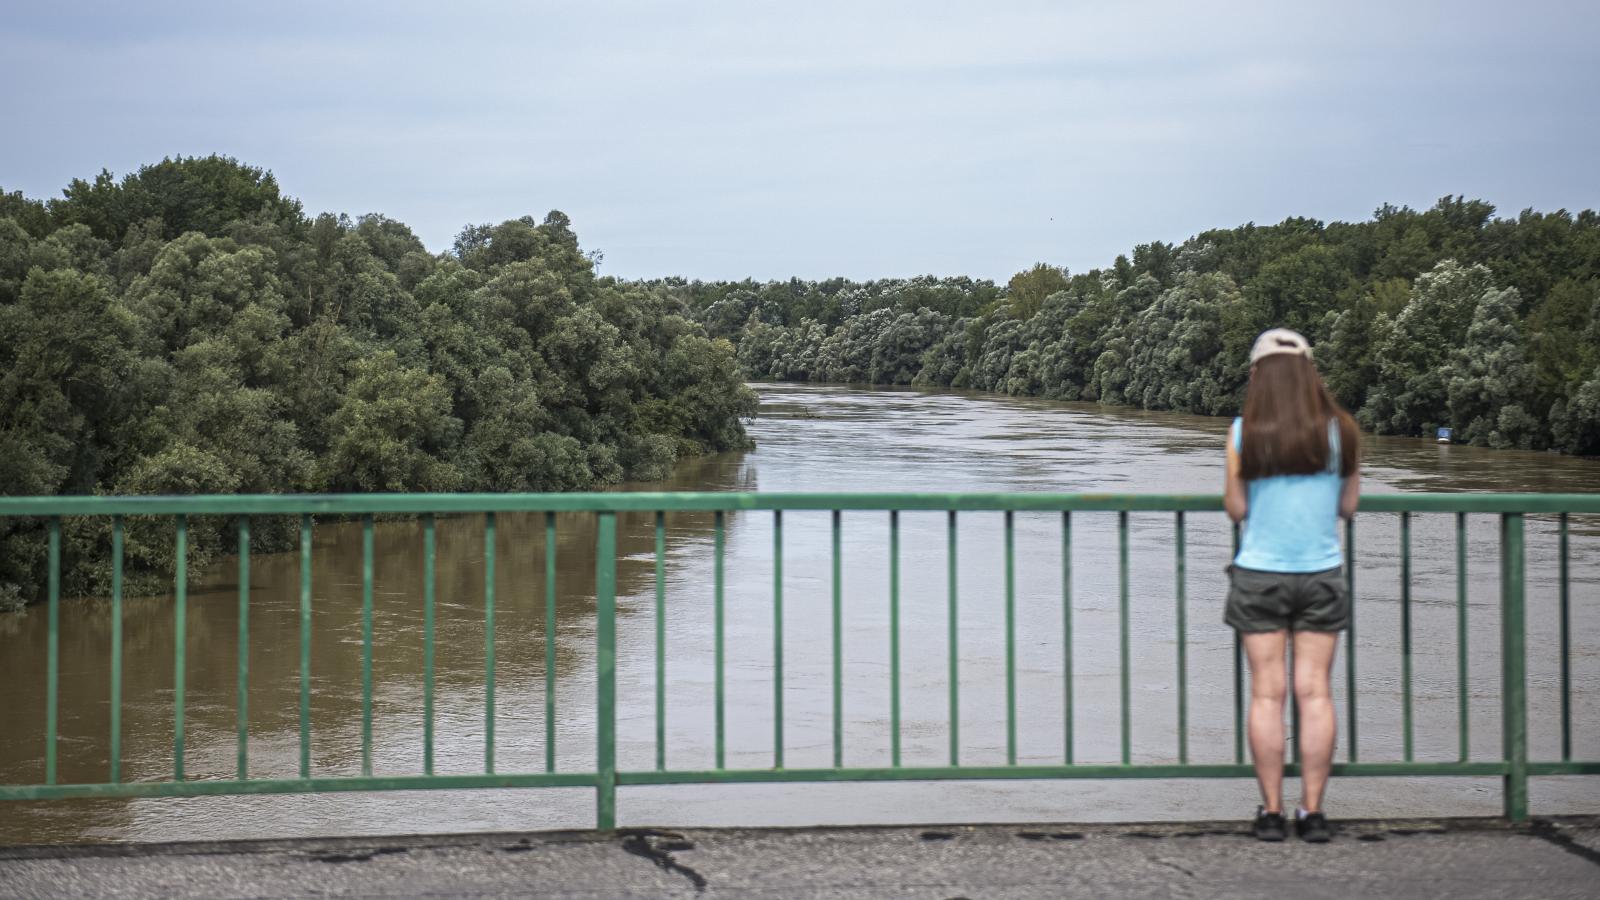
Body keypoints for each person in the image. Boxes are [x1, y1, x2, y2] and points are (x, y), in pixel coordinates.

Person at [1222, 328, 1360, 843]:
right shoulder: (1342, 431)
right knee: (1315, 692)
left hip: (1259, 574)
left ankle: (1272, 812)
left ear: (1258, 375)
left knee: (1266, 694)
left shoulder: (1243, 433)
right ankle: (1314, 813)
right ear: (1310, 373)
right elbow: (1347, 507)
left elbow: (1237, 508)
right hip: (1321, 573)